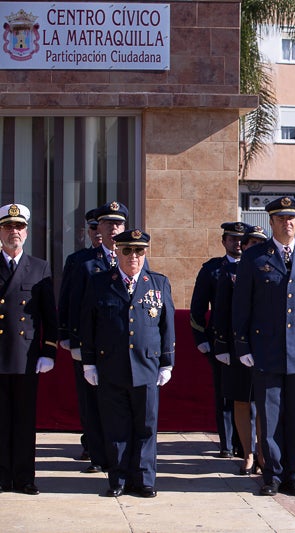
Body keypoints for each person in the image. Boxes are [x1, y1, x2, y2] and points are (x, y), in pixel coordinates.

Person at [232, 196, 295, 497]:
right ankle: (272, 475)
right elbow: (241, 306)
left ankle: (293, 474)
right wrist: (243, 345)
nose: (288, 223)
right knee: (270, 416)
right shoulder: (255, 258)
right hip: (267, 348)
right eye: (281, 218)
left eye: (292, 218)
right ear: (271, 222)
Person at [81, 229, 175, 498]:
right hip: (112, 367)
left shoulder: (158, 283)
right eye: (127, 250)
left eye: (139, 251)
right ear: (117, 252)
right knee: (116, 426)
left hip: (147, 367)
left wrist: (167, 362)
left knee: (146, 426)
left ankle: (145, 479)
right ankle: (119, 479)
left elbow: (167, 327)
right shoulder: (100, 283)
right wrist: (88, 362)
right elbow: (88, 325)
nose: (133, 256)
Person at [67, 201, 130, 475]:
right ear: (98, 230)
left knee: (119, 400)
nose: (113, 229)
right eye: (107, 224)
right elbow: (70, 301)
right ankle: (95, 453)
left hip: (121, 345)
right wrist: (71, 340)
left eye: (118, 224)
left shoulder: (134, 257)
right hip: (90, 343)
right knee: (91, 401)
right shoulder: (81, 261)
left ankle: (120, 455)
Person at [0, 203, 58, 495]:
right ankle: (2, 476)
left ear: (26, 232)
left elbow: (50, 315)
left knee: (24, 422)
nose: (14, 232)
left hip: (26, 358)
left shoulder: (39, 267)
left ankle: (24, 478)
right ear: (0, 232)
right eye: (9, 227)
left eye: (19, 227)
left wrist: (48, 351)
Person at [213, 224, 268, 475]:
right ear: (243, 247)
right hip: (239, 347)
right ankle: (247, 454)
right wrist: (223, 345)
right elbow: (222, 312)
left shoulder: (273, 268)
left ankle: (263, 454)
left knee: (264, 403)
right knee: (242, 402)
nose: (255, 247)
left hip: (267, 347)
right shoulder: (229, 272)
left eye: (260, 243)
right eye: (251, 244)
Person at [190, 222, 246, 459]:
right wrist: (201, 338)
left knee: (246, 395)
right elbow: (197, 308)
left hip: (249, 342)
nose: (238, 243)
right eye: (232, 239)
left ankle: (244, 444)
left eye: (242, 239)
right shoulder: (213, 269)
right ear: (224, 241)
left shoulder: (255, 266)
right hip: (221, 342)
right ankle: (226, 443)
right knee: (224, 394)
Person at [58, 207, 101, 462]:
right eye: (93, 228)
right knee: (87, 397)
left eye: (102, 227)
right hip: (83, 339)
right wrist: (66, 334)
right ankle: (91, 443)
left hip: (113, 341)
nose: (98, 232)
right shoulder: (77, 260)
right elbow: (66, 300)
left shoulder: (122, 255)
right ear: (87, 231)